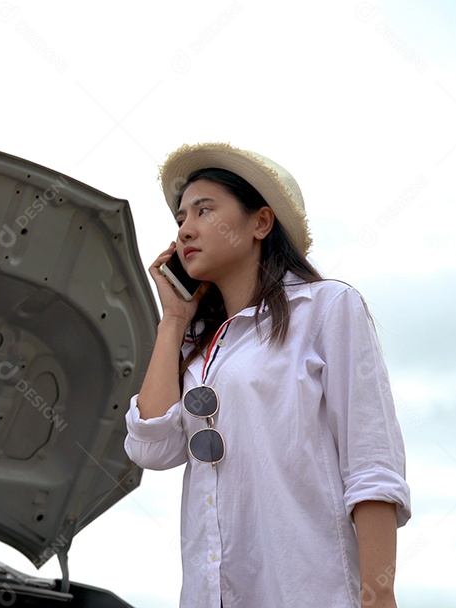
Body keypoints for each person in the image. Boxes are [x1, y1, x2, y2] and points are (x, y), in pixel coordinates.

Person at [125, 143, 411, 607]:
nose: (185, 231)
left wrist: (378, 596)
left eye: (204, 210)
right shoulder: (198, 343)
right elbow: (150, 448)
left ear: (261, 222)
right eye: (180, 219)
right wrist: (173, 321)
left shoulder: (327, 308)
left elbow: (371, 464)